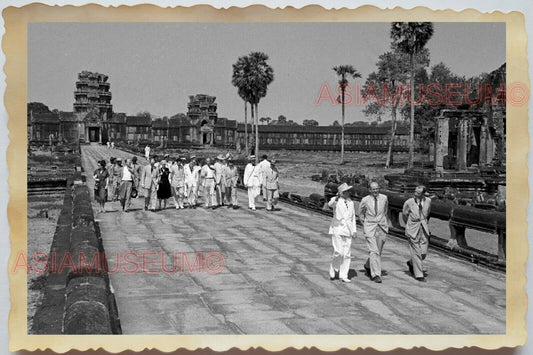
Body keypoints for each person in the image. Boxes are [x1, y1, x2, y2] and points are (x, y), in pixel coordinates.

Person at [358, 182, 389, 284]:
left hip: (381, 227)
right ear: (370, 190)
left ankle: (367, 265)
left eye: (377, 189)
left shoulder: (384, 198)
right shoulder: (365, 200)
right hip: (370, 227)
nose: (375, 191)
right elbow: (360, 213)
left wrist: (383, 220)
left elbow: (385, 210)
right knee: (373, 251)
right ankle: (376, 274)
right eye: (373, 189)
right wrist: (366, 224)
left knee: (378, 252)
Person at [402, 185, 432, 282]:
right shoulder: (409, 202)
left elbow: (428, 212)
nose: (416, 194)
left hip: (423, 227)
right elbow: (404, 214)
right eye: (415, 192)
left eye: (418, 193)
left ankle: (412, 263)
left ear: (423, 194)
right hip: (412, 228)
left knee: (423, 252)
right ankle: (419, 274)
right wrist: (409, 225)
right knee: (416, 252)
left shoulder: (428, 201)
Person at [328, 183, 356, 283]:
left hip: (348, 230)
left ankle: (343, 274)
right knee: (338, 252)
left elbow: (352, 218)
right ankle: (333, 268)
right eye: (347, 191)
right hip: (338, 228)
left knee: (347, 254)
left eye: (349, 191)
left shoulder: (351, 202)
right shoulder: (336, 200)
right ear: (342, 192)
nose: (349, 193)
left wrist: (354, 230)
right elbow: (330, 205)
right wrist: (337, 197)